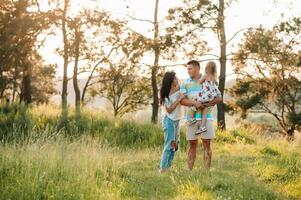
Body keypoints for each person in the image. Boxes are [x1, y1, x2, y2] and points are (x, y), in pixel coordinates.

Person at [180, 60, 222, 170]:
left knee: (207, 144)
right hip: (191, 118)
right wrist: (195, 103)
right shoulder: (185, 83)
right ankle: (189, 170)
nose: (188, 71)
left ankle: (206, 171)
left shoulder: (209, 78)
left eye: (190, 68)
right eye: (187, 69)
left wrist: (206, 104)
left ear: (197, 68)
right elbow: (182, 101)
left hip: (206, 117)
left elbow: (218, 98)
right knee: (192, 143)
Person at [159, 71, 186, 173]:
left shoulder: (179, 88)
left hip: (177, 120)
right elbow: (169, 109)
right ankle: (163, 169)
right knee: (169, 144)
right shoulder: (164, 92)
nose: (177, 79)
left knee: (175, 146)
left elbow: (187, 90)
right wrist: (179, 99)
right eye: (175, 78)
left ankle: (168, 167)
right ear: (170, 80)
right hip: (169, 120)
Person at [188, 61, 221, 135]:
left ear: (207, 68)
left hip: (205, 95)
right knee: (205, 110)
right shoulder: (215, 78)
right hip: (211, 96)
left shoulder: (206, 75)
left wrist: (201, 81)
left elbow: (200, 82)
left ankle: (193, 118)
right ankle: (203, 127)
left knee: (195, 101)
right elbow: (215, 87)